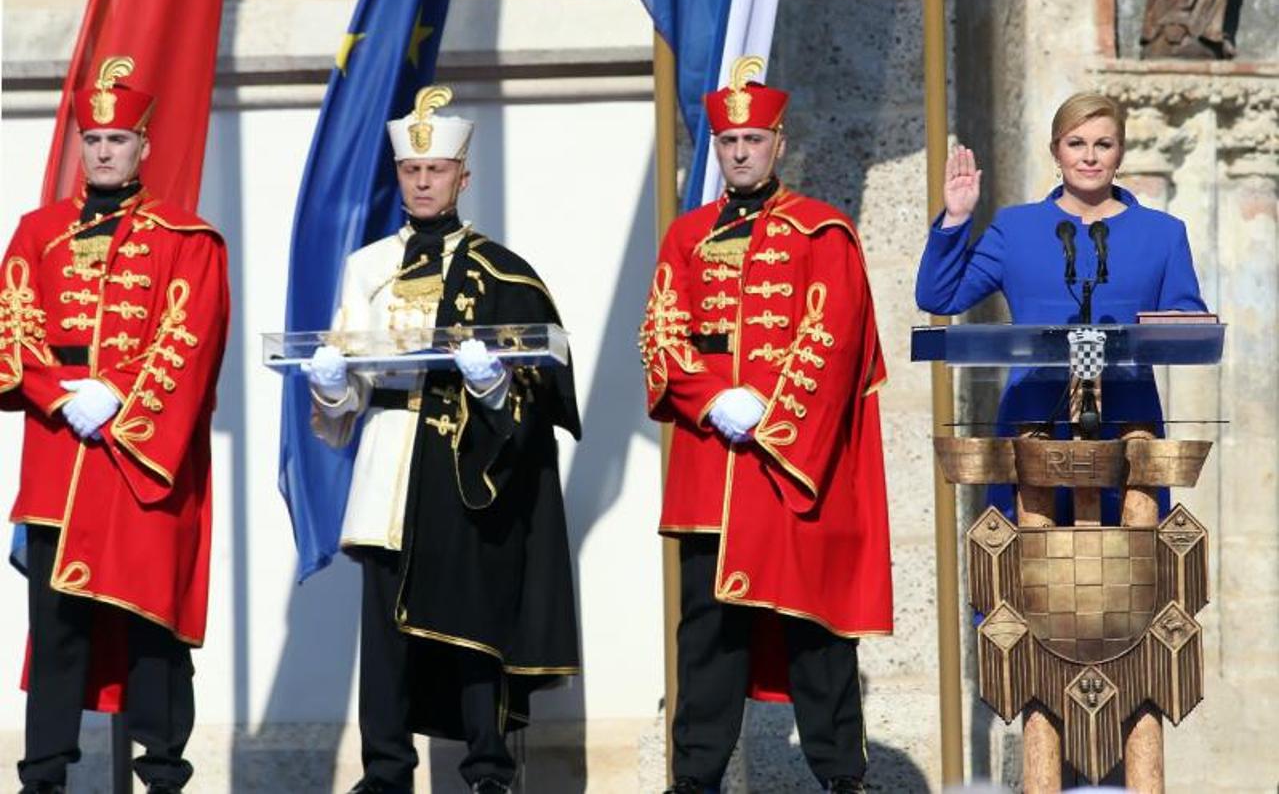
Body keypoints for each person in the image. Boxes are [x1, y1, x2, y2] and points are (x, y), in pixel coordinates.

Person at [305, 85, 581, 794]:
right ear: (398, 176)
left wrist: (492, 383)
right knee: (387, 637)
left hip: (464, 464)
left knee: (471, 624)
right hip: (389, 461)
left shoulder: (500, 270)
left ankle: (487, 769)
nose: (422, 181)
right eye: (410, 170)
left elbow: (540, 384)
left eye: (435, 170)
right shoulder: (365, 266)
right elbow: (345, 400)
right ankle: (386, 772)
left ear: (462, 175)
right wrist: (331, 379)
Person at [639, 56, 893, 794]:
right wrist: (712, 397)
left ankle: (841, 774)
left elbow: (836, 334)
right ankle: (694, 778)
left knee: (814, 624)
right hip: (708, 463)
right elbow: (661, 329)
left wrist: (774, 412)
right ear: (714, 149)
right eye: (728, 142)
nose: (740, 151)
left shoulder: (821, 230)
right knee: (707, 632)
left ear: (779, 142)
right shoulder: (684, 235)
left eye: (753, 138)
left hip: (786, 460)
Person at [0, 56, 230, 794]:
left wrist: (120, 395)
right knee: (57, 623)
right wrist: (59, 394)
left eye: (117, 139)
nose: (102, 151)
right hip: (58, 452)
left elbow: (191, 338)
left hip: (139, 458)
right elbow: (10, 327)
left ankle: (163, 774)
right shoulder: (37, 232)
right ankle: (44, 776)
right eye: (92, 138)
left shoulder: (187, 238)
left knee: (149, 624)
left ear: (144, 148)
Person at [914, 91, 1208, 524]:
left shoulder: (1162, 234)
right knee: (1028, 572)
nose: (1089, 157)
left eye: (1103, 145)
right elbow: (939, 297)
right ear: (1056, 151)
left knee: (1128, 570)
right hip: (1032, 414)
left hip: (1128, 425)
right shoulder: (1014, 228)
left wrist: (1172, 328)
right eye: (1076, 143)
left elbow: (1186, 326)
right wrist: (956, 217)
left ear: (1120, 153)